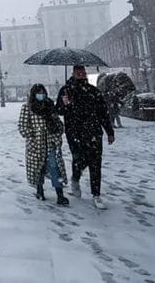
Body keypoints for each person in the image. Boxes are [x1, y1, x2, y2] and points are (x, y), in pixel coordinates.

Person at [56, 65, 115, 209]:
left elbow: (103, 112)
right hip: (74, 132)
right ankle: (75, 178)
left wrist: (109, 131)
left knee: (95, 163)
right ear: (73, 74)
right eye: (79, 73)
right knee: (79, 159)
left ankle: (96, 195)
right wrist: (65, 104)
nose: (82, 74)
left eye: (83, 73)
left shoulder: (93, 91)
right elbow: (59, 111)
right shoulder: (66, 91)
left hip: (93, 132)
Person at [18, 84, 69, 206]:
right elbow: (22, 127)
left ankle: (60, 195)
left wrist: (58, 130)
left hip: (51, 143)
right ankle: (40, 190)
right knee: (38, 168)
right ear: (34, 94)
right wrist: (34, 135)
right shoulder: (27, 108)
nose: (41, 95)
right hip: (36, 145)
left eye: (43, 92)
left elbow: (58, 123)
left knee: (54, 167)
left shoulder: (50, 106)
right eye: (38, 93)